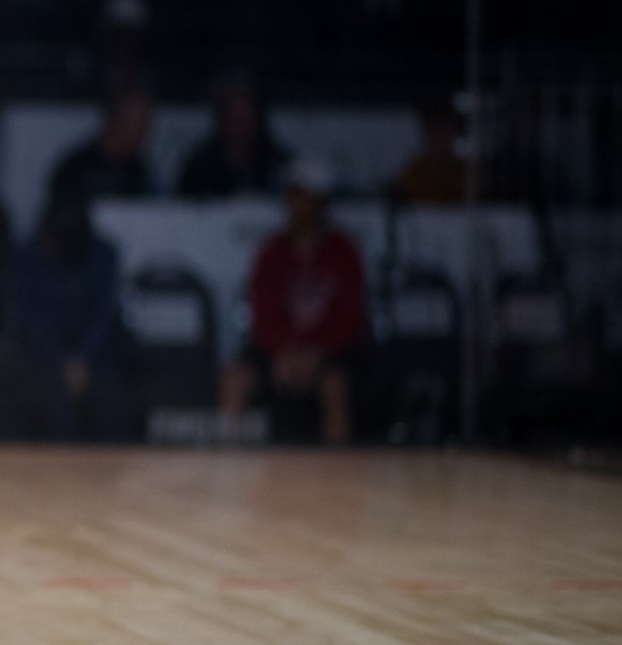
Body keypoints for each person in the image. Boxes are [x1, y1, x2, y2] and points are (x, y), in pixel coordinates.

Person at [219, 159, 367, 445]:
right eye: (293, 196)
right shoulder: (272, 253)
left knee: (334, 384)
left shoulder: (343, 253)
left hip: (328, 353)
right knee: (233, 379)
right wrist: (282, 352)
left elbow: (349, 318)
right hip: (279, 352)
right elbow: (262, 313)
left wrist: (315, 353)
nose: (298, 205)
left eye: (306, 197)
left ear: (322, 203)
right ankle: (228, 466)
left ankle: (338, 470)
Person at [4, 191, 130, 441]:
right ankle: (60, 462)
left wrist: (83, 360)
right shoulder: (29, 254)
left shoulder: (103, 254)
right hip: (45, 349)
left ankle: (112, 464)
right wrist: (62, 363)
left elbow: (103, 314)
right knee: (49, 385)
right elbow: (29, 316)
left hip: (94, 349)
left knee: (111, 388)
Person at [177, 72, 290, 198]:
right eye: (234, 116)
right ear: (222, 119)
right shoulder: (199, 168)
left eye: (246, 116)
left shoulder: (279, 165)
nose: (240, 125)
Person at [47, 84, 156, 203]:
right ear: (115, 120)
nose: (145, 131)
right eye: (138, 122)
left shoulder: (141, 173)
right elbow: (59, 216)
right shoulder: (76, 169)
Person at [393, 98, 470, 204]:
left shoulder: (467, 175)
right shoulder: (413, 175)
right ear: (427, 133)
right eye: (436, 132)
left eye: (446, 131)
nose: (441, 138)